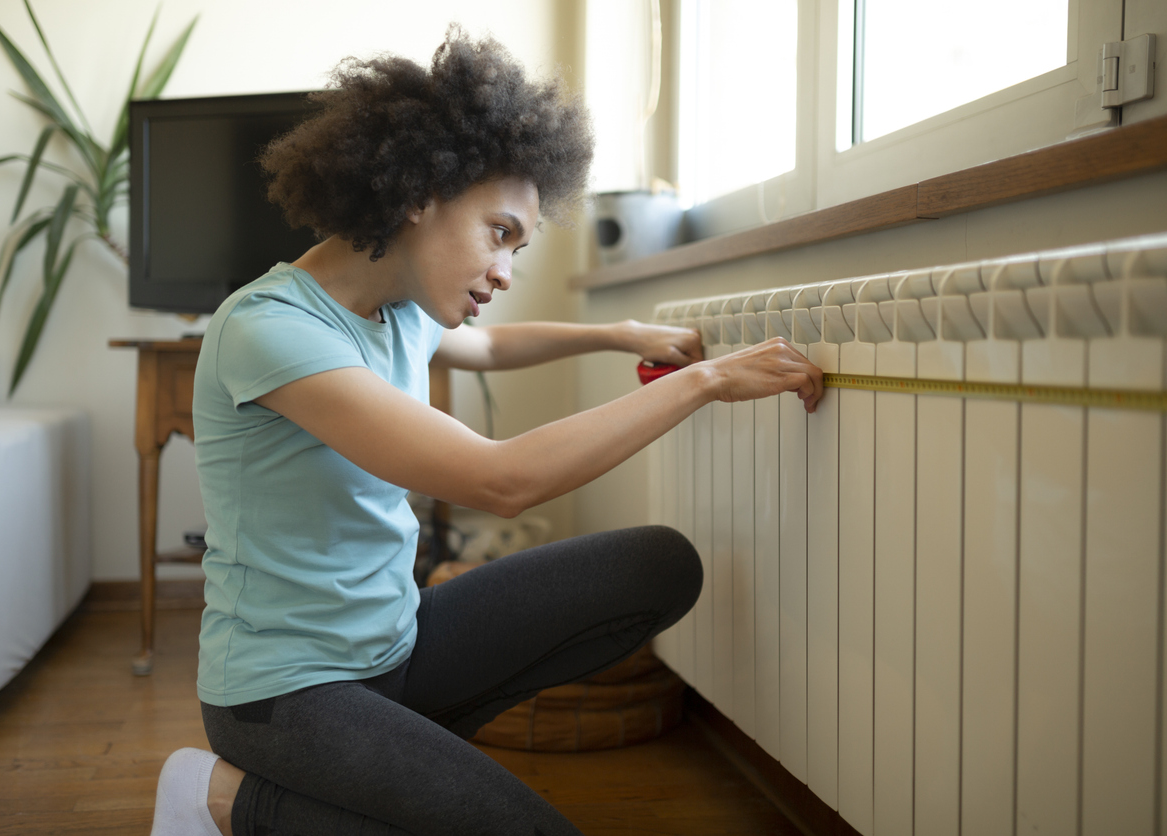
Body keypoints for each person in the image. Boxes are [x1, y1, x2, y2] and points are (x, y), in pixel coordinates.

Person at [150, 26, 823, 836]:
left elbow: (494, 345)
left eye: (520, 244)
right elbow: (501, 480)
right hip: (284, 693)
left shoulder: (398, 308)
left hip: (397, 647)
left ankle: (393, 770)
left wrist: (623, 335)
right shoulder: (272, 329)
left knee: (660, 566)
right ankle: (216, 796)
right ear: (419, 194)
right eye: (499, 232)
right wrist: (707, 381)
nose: (507, 268)